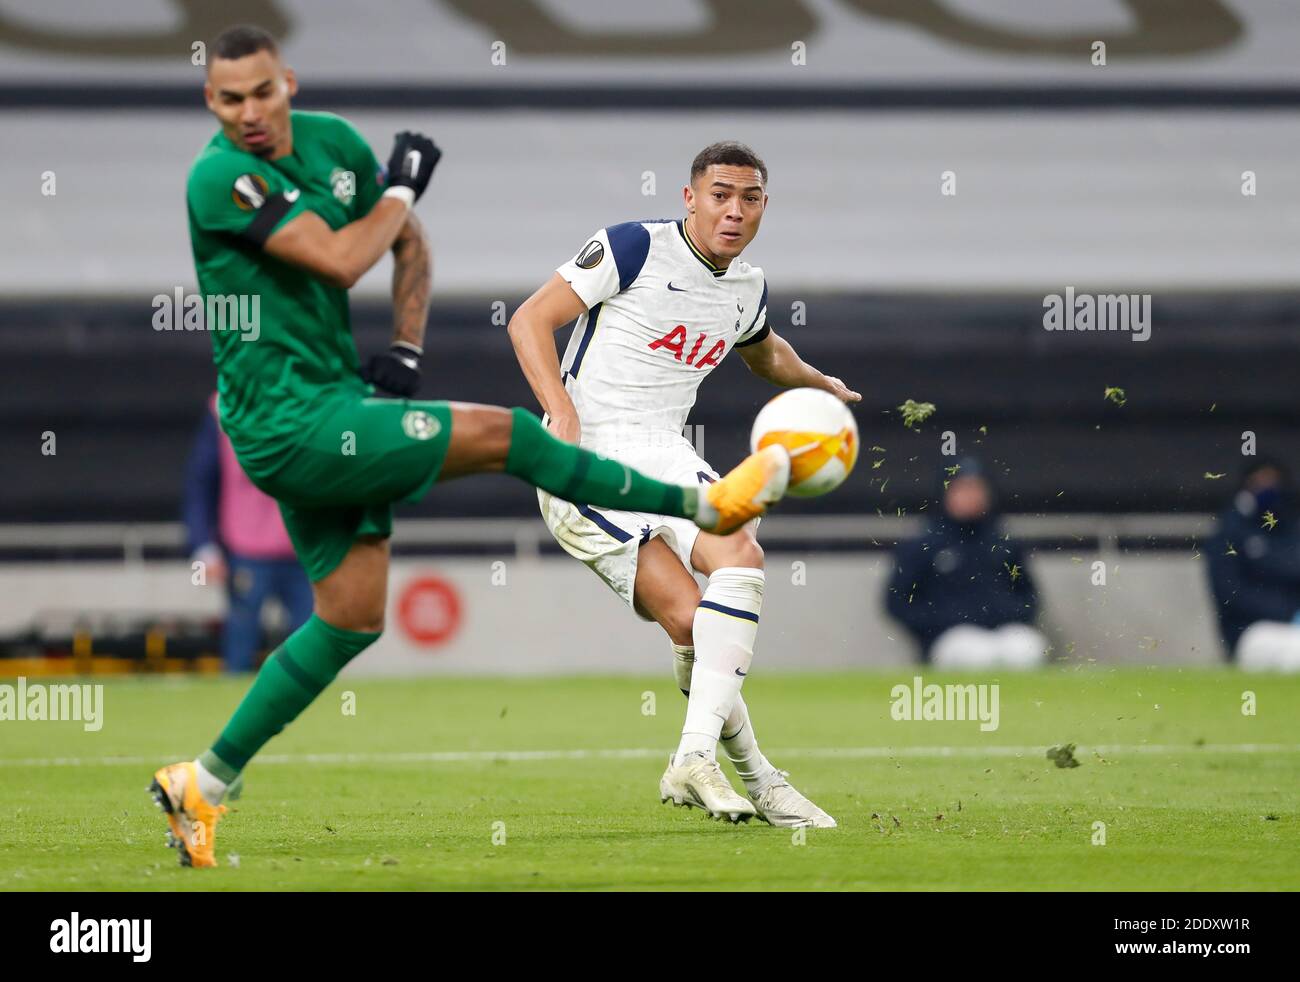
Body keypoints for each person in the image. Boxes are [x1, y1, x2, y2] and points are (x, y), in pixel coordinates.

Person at [150, 25, 790, 868]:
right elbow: (346, 259)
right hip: (282, 420)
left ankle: (201, 784)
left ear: (287, 82)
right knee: (508, 433)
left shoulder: (334, 144)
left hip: (339, 399)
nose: (250, 113)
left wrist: (407, 349)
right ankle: (700, 504)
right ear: (210, 102)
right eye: (229, 99)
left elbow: (406, 245)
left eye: (262, 92)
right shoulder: (216, 176)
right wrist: (403, 190)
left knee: (349, 619)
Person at [508, 142, 860, 827]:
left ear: (763, 207)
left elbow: (766, 355)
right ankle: (759, 778)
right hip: (585, 456)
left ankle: (702, 760)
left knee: (737, 563)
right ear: (690, 197)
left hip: (665, 452)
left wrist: (820, 384)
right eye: (720, 194)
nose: (734, 210)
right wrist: (563, 408)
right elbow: (529, 319)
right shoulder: (633, 247)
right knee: (692, 620)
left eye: (749, 198)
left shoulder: (747, 286)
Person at [183, 392, 313, 672]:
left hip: (303, 550)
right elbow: (200, 483)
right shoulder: (222, 408)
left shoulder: (309, 397)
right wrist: (204, 548)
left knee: (313, 651)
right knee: (241, 649)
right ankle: (238, 713)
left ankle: (313, 711)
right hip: (246, 550)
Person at [885, 458, 1046, 669]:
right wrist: (939, 624)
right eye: (962, 489)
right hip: (951, 637)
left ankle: (1016, 702)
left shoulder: (1003, 542)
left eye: (976, 488)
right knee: (976, 656)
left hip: (1003, 633)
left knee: (1027, 648)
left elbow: (1029, 596)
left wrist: (1003, 614)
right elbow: (898, 602)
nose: (970, 496)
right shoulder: (923, 544)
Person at [1205, 457, 1300, 671]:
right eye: (1260, 482)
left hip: (1295, 627)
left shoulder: (1291, 531)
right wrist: (1289, 611)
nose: (1268, 489)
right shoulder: (1230, 534)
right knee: (1295, 652)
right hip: (1253, 631)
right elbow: (1231, 594)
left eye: (1273, 482)